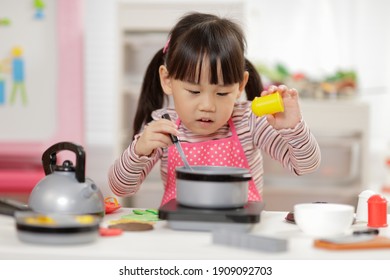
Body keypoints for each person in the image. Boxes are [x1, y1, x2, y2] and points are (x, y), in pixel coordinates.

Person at [108, 12, 321, 206]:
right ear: (167, 80)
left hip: (239, 233)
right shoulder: (164, 127)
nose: (208, 106)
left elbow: (305, 166)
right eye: (193, 91)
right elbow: (120, 188)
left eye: (221, 93)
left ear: (240, 86)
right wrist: (138, 151)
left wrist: (294, 128)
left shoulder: (250, 121)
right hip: (181, 234)